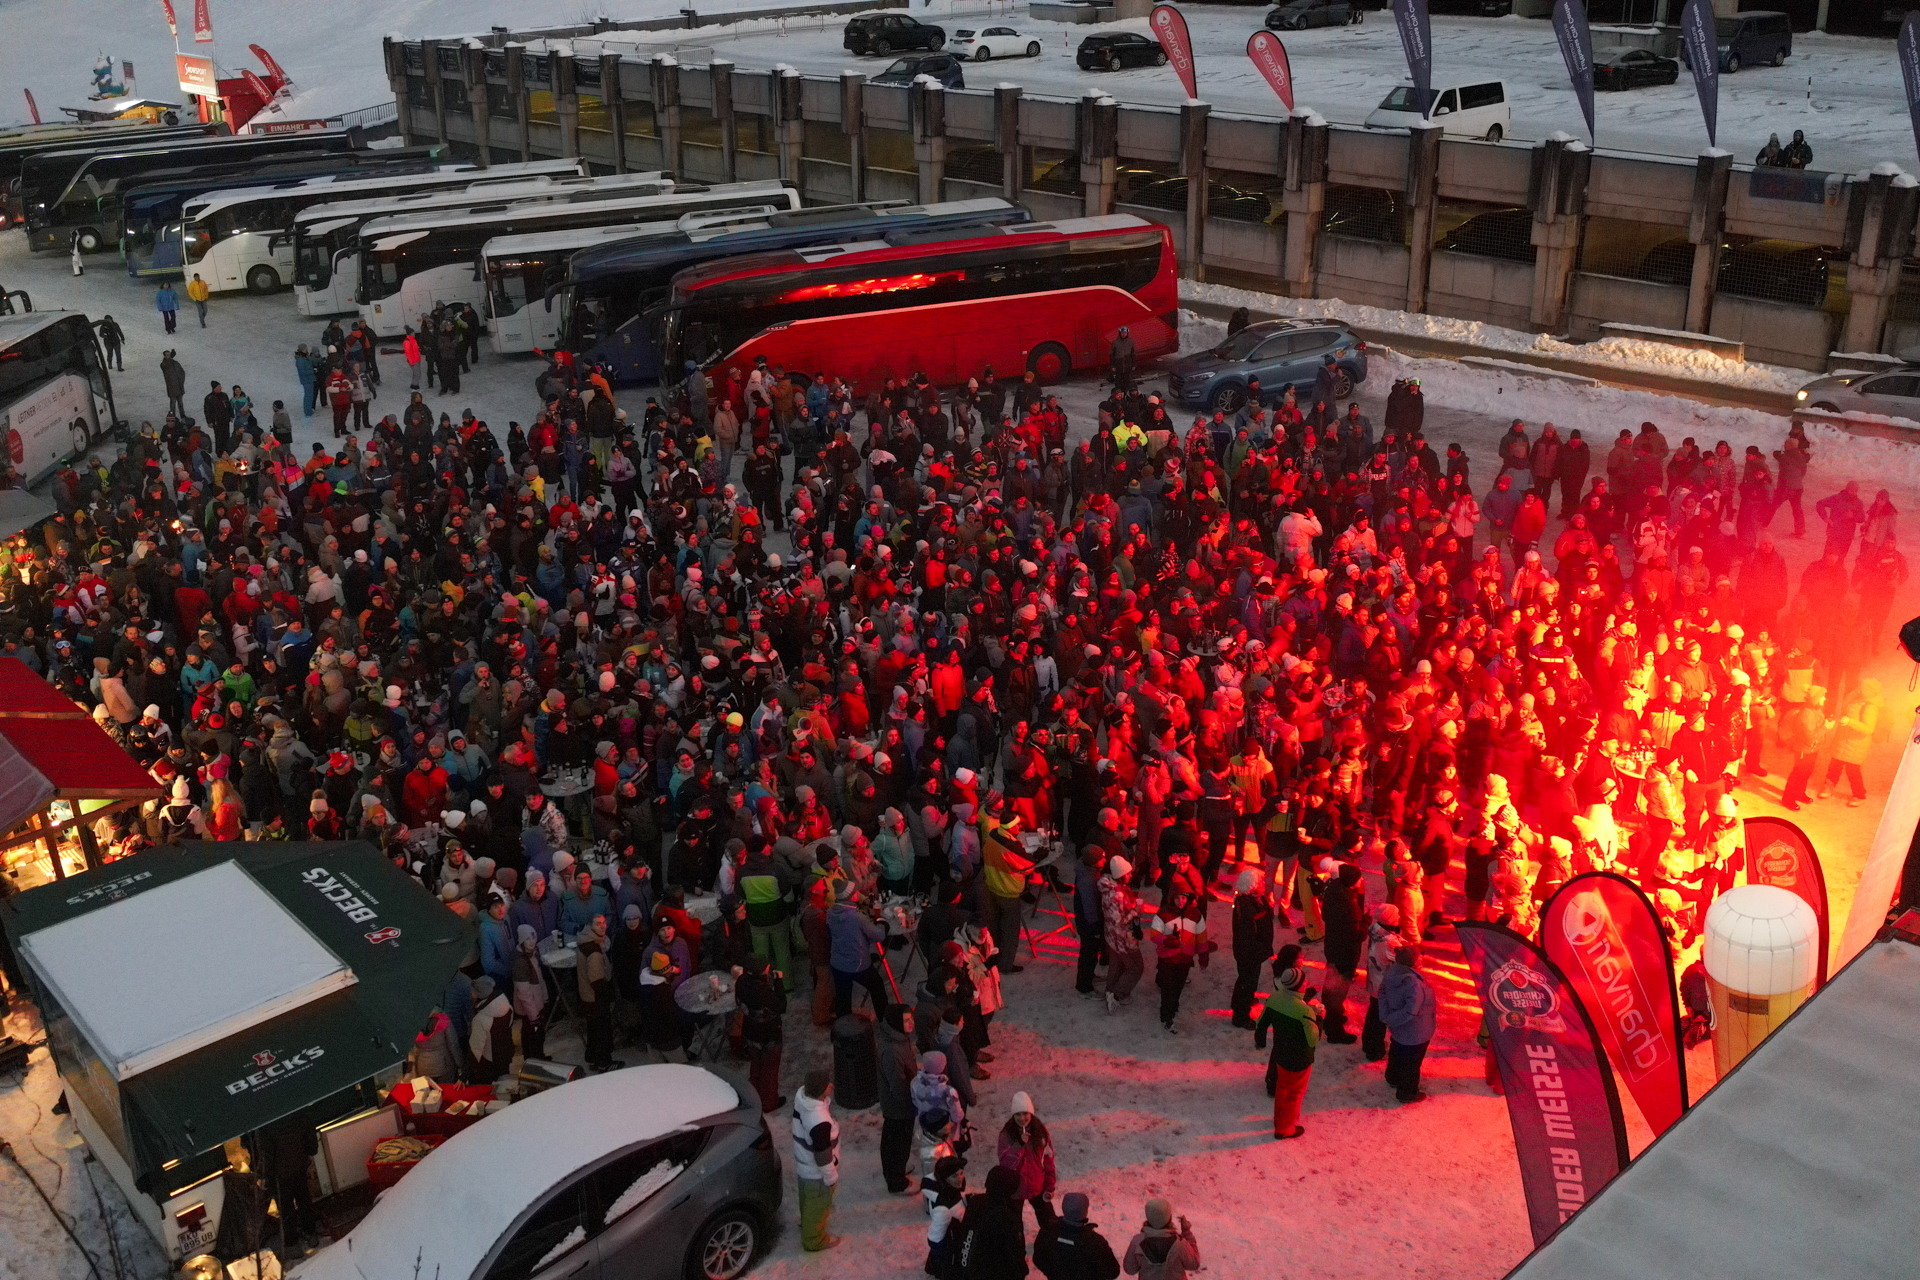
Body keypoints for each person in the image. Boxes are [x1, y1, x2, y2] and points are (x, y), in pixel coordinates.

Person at [1254, 955, 1319, 1139]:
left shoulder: (1274, 1000)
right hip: (1299, 1059)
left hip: (1281, 1054)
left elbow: (1261, 1023)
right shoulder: (1304, 1010)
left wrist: (1261, 1041)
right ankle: (1285, 1129)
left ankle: (1279, 1119)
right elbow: (1313, 1039)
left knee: (1282, 1087)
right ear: (1297, 986)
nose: (1306, 983)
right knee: (1295, 1092)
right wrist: (1318, 1020)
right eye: (1303, 981)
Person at [792, 1068, 842, 1251]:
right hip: (816, 1172)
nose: (831, 1085)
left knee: (806, 1199)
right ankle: (814, 1239)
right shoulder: (818, 1120)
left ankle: (807, 1224)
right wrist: (830, 1177)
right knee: (818, 1204)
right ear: (821, 1089)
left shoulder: (803, 1102)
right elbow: (822, 1154)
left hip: (803, 1165)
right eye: (828, 1084)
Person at [1379, 945, 1436, 1103]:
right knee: (1411, 1063)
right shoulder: (1414, 984)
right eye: (1419, 956)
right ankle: (1407, 1092)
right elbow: (1411, 1011)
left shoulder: (1393, 972)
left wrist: (1387, 1016)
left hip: (1399, 1029)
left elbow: (1382, 991)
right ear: (1413, 962)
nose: (1422, 958)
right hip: (1416, 1032)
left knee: (1397, 1052)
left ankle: (1393, 1077)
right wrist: (1390, 1018)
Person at [879, 1003, 922, 1194]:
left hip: (900, 1103)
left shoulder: (899, 1039)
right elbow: (897, 1084)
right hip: (899, 1106)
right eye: (906, 1020)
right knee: (898, 1142)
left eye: (911, 1018)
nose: (911, 1023)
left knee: (895, 1140)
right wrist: (910, 1105)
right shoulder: (892, 1050)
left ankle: (896, 1170)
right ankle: (897, 1182)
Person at [997, 1091, 1058, 1230]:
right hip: (1015, 1188)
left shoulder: (1040, 1132)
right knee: (1013, 1227)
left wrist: (1050, 1186)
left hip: (1037, 1184)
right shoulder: (1006, 1134)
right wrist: (1019, 1144)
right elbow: (1005, 1163)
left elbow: (1048, 1159)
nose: (1022, 1118)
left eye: (1025, 1113)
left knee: (1050, 1224)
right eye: (1017, 1114)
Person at [1033, 1191, 1121, 1280]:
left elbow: (1038, 1259)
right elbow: (1113, 1272)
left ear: (1063, 1208)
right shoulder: (1095, 1242)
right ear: (1085, 1211)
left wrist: (1053, 1273)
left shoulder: (1048, 1232)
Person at [1122, 1199, 1199, 1280]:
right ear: (1169, 1217)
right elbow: (1194, 1264)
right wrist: (1187, 1233)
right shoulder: (1179, 1243)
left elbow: (1130, 1269)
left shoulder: (1137, 1241)